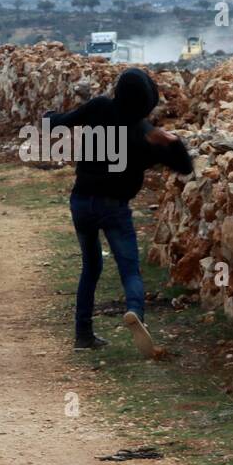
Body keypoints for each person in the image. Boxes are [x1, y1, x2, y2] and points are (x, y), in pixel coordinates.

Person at [42, 68, 193, 357]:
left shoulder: (99, 106)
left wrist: (49, 115)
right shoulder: (145, 135)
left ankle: (83, 334)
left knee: (91, 268)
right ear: (147, 100)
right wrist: (174, 142)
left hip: (82, 203)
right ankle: (135, 312)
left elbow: (58, 123)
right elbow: (184, 168)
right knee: (129, 269)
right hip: (114, 208)